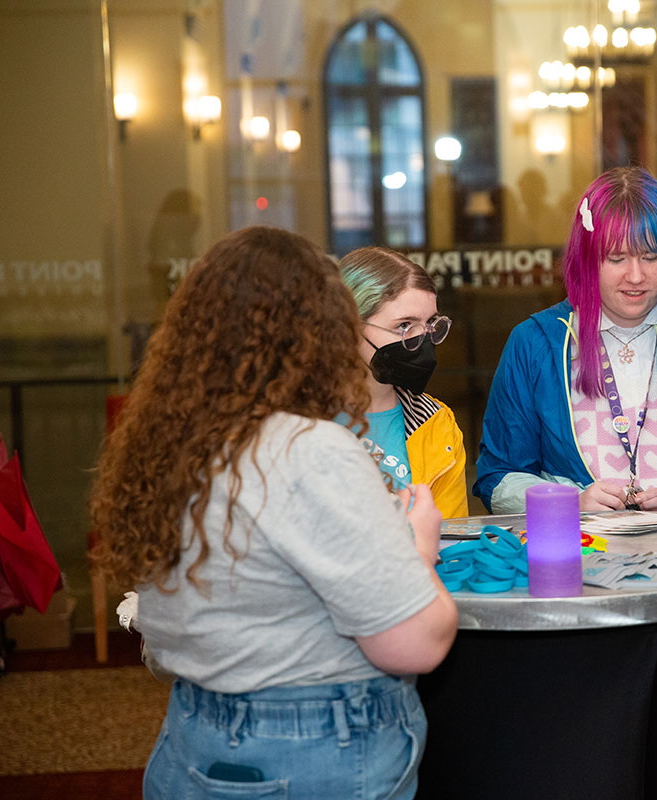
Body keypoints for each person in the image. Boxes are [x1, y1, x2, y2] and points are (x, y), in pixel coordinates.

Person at [89, 226, 458, 799]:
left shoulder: (167, 444)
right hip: (312, 753)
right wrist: (418, 547)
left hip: (191, 734)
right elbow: (416, 644)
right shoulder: (308, 449)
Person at [474, 166, 657, 799]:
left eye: (650, 257)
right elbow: (493, 478)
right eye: (615, 259)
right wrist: (568, 502)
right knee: (596, 772)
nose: (635, 276)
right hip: (580, 607)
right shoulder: (535, 345)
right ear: (586, 260)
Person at [339, 246, 468, 518]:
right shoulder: (300, 421)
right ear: (348, 325)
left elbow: (453, 542)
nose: (422, 341)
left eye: (431, 324)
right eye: (404, 325)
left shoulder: (438, 425)